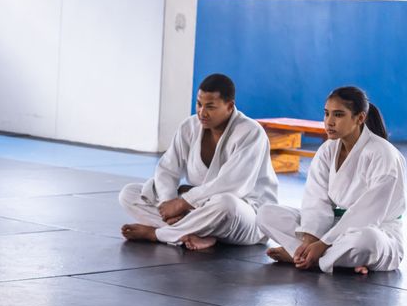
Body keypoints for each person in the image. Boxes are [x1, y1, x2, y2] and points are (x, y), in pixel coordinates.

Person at [119, 73, 278, 250]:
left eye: (210, 107)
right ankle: (194, 233)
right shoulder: (189, 127)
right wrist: (168, 203)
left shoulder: (250, 132)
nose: (202, 112)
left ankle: (159, 234)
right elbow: (167, 169)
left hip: (245, 216)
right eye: (199, 104)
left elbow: (232, 185)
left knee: (226, 203)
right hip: (201, 210)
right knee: (130, 193)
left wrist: (182, 203)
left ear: (229, 106)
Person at [258, 86, 405, 274]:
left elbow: (369, 213)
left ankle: (303, 256)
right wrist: (313, 238)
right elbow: (315, 199)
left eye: (338, 115)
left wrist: (324, 243)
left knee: (367, 240)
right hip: (332, 226)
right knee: (266, 213)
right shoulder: (328, 149)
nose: (329, 122)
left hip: (377, 231)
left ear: (360, 118)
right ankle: (328, 258)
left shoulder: (383, 154)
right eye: (326, 114)